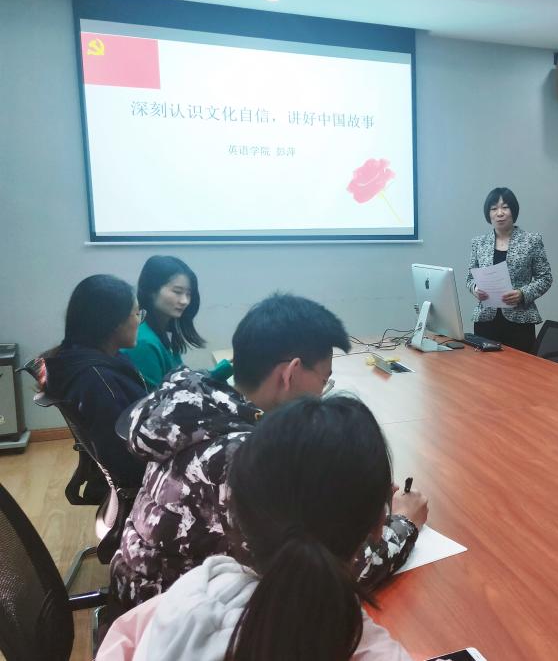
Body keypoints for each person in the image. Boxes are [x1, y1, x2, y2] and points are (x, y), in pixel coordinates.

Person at [110, 293, 428, 608]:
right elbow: (327, 574)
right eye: (324, 380)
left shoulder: (195, 408)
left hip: (143, 597)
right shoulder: (243, 457)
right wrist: (403, 522)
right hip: (180, 621)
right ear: (290, 373)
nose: (322, 395)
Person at [96, 396, 413, 661]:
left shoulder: (195, 589)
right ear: (378, 523)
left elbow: (121, 643)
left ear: (235, 511)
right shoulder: (360, 642)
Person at [43, 274, 148, 487]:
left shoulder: (79, 358)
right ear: (113, 322)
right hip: (148, 480)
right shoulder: (98, 382)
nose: (139, 320)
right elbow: (126, 464)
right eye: (137, 313)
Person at [467, 187, 553, 352]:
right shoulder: (479, 243)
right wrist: (475, 289)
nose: (499, 213)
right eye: (494, 208)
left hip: (519, 322)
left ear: (513, 210)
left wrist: (522, 293)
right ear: (488, 214)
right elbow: (470, 278)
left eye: (505, 207)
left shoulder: (531, 241)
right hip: (486, 321)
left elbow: (545, 278)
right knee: (485, 368)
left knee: (519, 368)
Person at [122, 256, 206, 389]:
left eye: (188, 294)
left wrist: (225, 368)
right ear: (151, 290)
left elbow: (182, 384)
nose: (185, 301)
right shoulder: (143, 343)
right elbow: (157, 399)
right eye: (177, 292)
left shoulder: (165, 332)